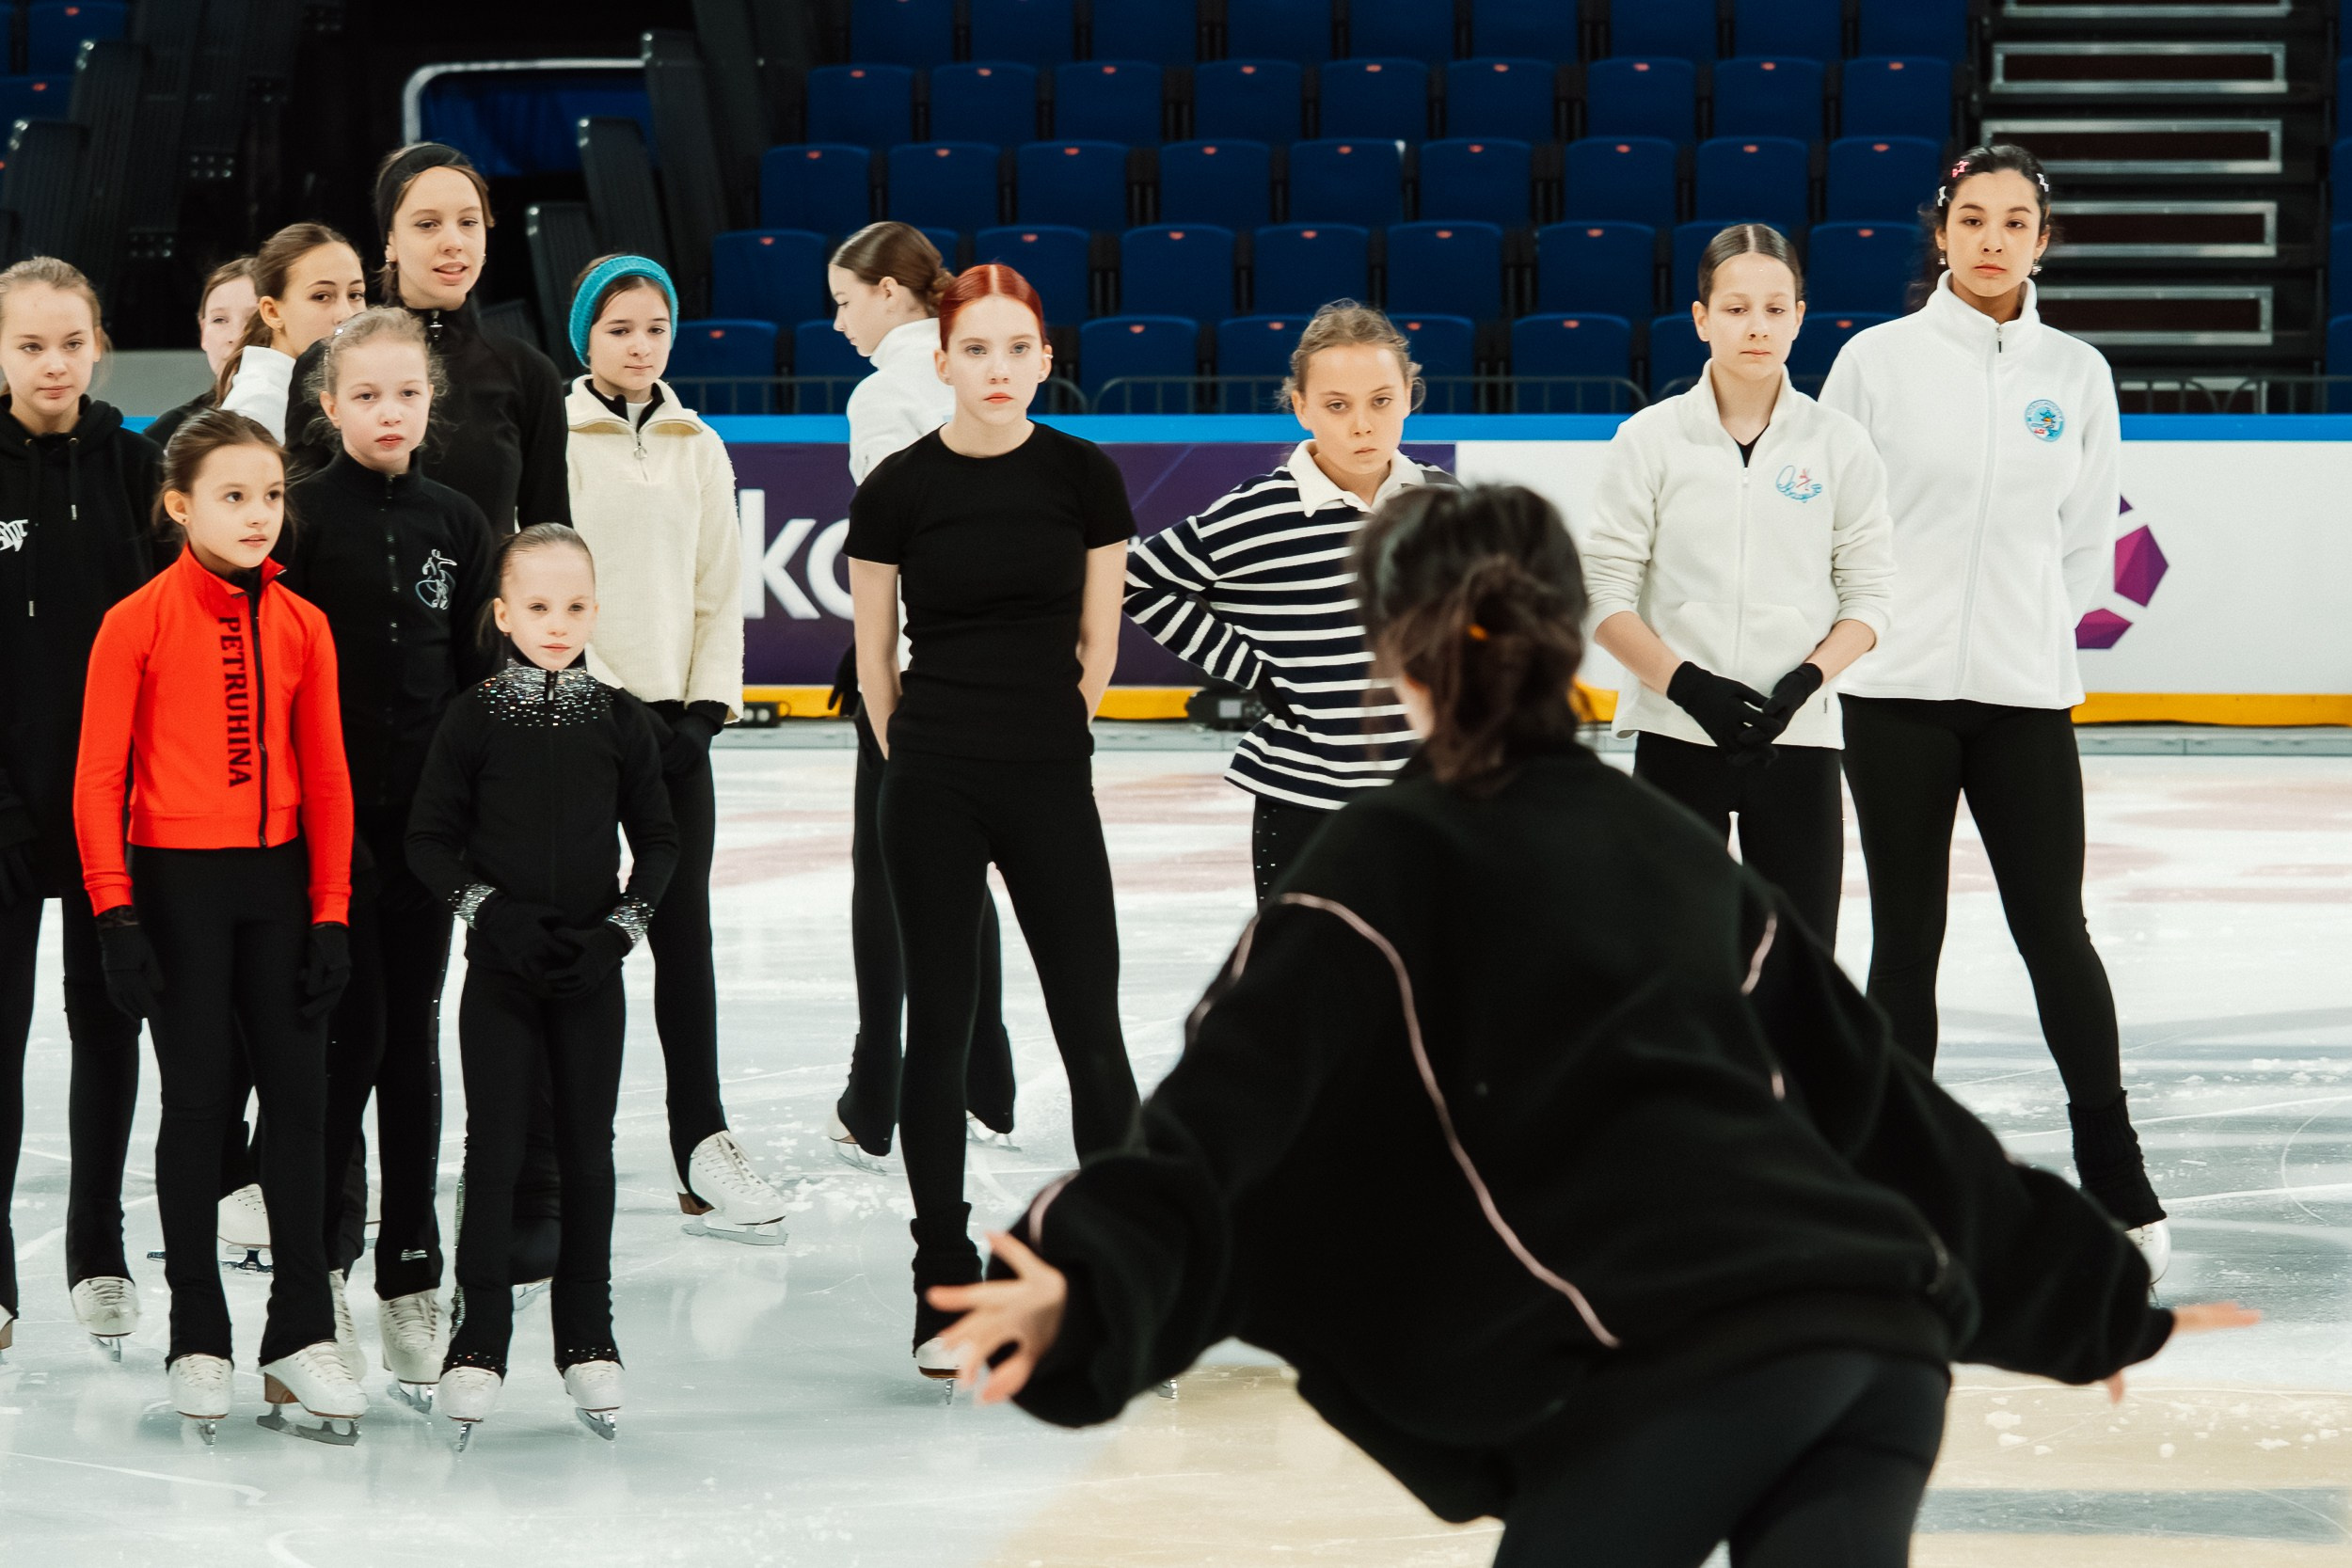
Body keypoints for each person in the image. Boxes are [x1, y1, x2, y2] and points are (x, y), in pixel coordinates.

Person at [931, 482, 2259, 1566]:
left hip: (1675, 1363)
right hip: (1878, 1339)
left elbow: (1221, 1119)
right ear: (1571, 631)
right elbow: (1891, 1113)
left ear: (1390, 644)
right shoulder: (1681, 853)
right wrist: (2090, 1301)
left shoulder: (1375, 864)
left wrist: (1087, 1273)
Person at [1817, 144, 2172, 1276]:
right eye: (1972, 218)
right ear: (1940, 232)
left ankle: (2114, 1174)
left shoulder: (2076, 372)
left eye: (2013, 222)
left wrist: (2034, 630)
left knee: (2052, 930)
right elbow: (1835, 517)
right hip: (1895, 694)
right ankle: (1893, 1177)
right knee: (1905, 940)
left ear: (2040, 239)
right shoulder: (1874, 362)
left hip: (2023, 697)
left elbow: (2085, 533)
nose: (1990, 239)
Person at [845, 263, 1141, 1378]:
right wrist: (920, 749)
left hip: (1048, 771)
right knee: (943, 1025)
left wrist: (1044, 732)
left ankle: (1113, 1269)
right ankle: (939, 1274)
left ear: (1045, 359)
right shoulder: (899, 489)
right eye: (978, 350)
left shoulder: (1084, 475)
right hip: (931, 778)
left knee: (1089, 1022)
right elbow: (875, 661)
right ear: (944, 363)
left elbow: (1097, 648)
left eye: (1018, 349)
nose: (999, 369)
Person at [73, 408, 366, 1445]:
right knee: (196, 1103)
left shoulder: (303, 624)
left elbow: (328, 778)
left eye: (272, 494)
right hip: (175, 888)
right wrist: (114, 909)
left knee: (301, 1105)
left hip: (281, 887)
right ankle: (198, 1329)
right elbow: (99, 776)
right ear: (180, 504)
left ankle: (296, 1327)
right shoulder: (136, 621)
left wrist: (329, 913)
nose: (258, 514)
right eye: (234, 495)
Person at [405, 523, 678, 1444]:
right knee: (495, 1148)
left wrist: (619, 929)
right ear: (501, 613)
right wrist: (493, 913)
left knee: (587, 1149)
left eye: (572, 607)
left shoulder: (620, 717)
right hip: (503, 975)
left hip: (590, 976)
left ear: (595, 610)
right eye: (536, 607)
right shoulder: (473, 715)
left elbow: (663, 840)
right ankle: (477, 1337)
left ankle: (586, 1332)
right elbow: (428, 840)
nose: (555, 624)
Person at [279, 305, 498, 1404]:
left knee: (410, 1045)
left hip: (421, 841)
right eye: (363, 394)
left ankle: (411, 1265)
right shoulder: (301, 519)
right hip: (318, 843)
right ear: (327, 406)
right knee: (337, 1049)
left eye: (404, 392)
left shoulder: (459, 522)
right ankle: (316, 1272)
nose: (387, 410)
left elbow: (473, 686)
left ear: (430, 400)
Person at [1584, 224, 1894, 942]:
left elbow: (1871, 597)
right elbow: (1603, 595)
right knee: (1669, 958)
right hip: (1675, 735)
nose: (1757, 327)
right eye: (1735, 308)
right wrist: (1688, 686)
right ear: (1701, 319)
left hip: (1800, 739)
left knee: (1799, 960)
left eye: (1775, 308)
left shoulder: (1840, 444)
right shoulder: (1648, 440)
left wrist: (1805, 682)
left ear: (1798, 317)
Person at [560, 254, 785, 1242]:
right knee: (571, 929)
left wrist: (702, 710)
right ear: (586, 340)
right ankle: (562, 1143)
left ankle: (702, 1139)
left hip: (675, 732)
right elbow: (550, 580)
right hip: (577, 720)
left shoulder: (700, 442)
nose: (640, 344)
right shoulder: (556, 436)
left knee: (681, 932)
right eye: (619, 329)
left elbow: (716, 583)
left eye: (654, 326)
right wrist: (611, 696)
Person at [1122, 301, 1456, 903]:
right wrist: (1252, 670)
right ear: (1300, 407)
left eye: (1382, 400)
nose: (1362, 424)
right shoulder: (1256, 513)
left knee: (1427, 991)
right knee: (1309, 987)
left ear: (1409, 396)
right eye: (1337, 405)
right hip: (1303, 803)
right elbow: (1138, 580)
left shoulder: (1445, 502)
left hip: (1432, 799)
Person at [819, 221, 1019, 1169]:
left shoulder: (881, 392)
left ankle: (875, 1089)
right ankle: (990, 1070)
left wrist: (873, 660)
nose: (836, 320)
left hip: (910, 663)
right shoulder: (984, 367)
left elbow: (890, 539)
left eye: (845, 298)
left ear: (893, 291)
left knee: (886, 869)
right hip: (994, 662)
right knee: (966, 856)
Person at [0, 257, 164, 1360]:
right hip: (3, 813)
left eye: (70, 341)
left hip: (119, 814)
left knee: (107, 1027)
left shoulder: (139, 464)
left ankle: (98, 1250)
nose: (53, 364)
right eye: (29, 344)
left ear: (98, 341)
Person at [280, 144, 567, 533]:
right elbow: (298, 525)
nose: (453, 241)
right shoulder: (326, 363)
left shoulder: (529, 373)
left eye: (469, 222)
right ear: (390, 242)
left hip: (488, 595)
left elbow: (548, 534)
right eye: (427, 224)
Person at [206, 222, 370, 443]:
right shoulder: (257, 407)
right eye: (321, 296)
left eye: (355, 295)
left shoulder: (329, 390)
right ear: (271, 311)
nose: (345, 314)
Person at [146, 257, 256, 451]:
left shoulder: (319, 424)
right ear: (203, 331)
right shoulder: (164, 436)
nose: (236, 336)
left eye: (255, 320)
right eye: (220, 320)